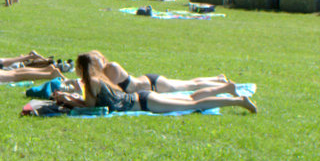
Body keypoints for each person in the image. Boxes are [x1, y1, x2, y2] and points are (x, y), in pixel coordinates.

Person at [53, 52, 256, 114]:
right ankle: (232, 95)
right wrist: (70, 98)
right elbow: (89, 103)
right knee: (192, 98)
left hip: (144, 101)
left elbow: (89, 107)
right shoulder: (97, 80)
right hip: (144, 97)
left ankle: (238, 101)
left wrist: (69, 100)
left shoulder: (94, 81)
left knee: (193, 103)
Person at [77, 50, 238, 96]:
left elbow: (109, 90)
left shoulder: (111, 67)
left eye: (97, 61)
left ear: (102, 59)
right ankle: (217, 78)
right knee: (188, 82)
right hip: (149, 82)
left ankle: (221, 83)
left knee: (189, 85)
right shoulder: (101, 74)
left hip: (153, 85)